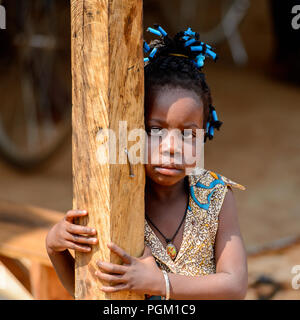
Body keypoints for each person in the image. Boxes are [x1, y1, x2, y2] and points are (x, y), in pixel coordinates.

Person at [45, 25, 248, 300]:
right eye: (155, 131)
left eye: (188, 134)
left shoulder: (216, 196)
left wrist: (159, 282)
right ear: (134, 132)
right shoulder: (115, 205)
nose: (172, 148)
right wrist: (55, 248)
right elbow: (88, 291)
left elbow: (234, 286)